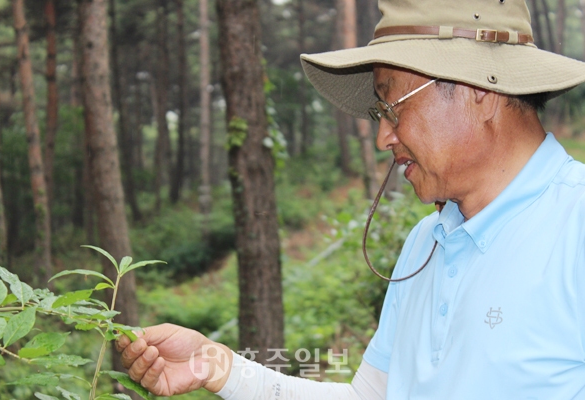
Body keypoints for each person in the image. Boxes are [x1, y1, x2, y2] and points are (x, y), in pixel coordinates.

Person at [116, 0, 585, 398]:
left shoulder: (575, 226)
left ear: (479, 91)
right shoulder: (427, 243)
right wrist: (218, 368)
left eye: (391, 106)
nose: (384, 136)